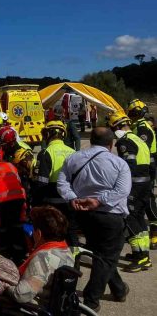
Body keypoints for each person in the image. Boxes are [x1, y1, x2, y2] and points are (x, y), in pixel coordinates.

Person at [57, 127, 131, 312]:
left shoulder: (73, 158)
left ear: (90, 140)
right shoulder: (119, 163)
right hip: (109, 215)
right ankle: (91, 301)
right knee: (106, 257)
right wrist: (98, 201)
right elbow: (122, 191)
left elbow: (62, 182)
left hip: (83, 215)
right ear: (111, 143)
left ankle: (119, 289)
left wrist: (73, 198)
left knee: (102, 255)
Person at [108, 112, 152, 272]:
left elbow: (129, 166)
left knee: (130, 219)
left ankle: (141, 257)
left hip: (134, 186)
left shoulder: (125, 142)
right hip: (145, 184)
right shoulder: (138, 139)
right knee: (139, 218)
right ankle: (143, 254)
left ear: (117, 127)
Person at [6, 206, 74, 306]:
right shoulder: (66, 250)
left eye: (33, 230)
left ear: (39, 233)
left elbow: (21, 296)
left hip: (36, 307)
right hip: (56, 303)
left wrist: (6, 286)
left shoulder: (42, 258)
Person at [32, 120, 78, 251]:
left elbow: (41, 182)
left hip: (53, 203)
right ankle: (75, 262)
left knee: (54, 235)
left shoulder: (46, 153)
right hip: (72, 201)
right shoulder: (73, 152)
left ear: (48, 134)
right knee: (72, 234)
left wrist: (36, 204)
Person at [0, 148, 27, 264]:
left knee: (3, 229)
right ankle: (20, 255)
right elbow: (18, 181)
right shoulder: (10, 165)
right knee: (17, 227)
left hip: (3, 202)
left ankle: (6, 256)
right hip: (18, 199)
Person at [127, 99, 157, 250]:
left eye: (132, 113)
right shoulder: (137, 126)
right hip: (145, 167)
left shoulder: (142, 128)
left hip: (147, 168)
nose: (130, 115)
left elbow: (143, 149)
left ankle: (155, 234)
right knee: (144, 201)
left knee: (149, 201)